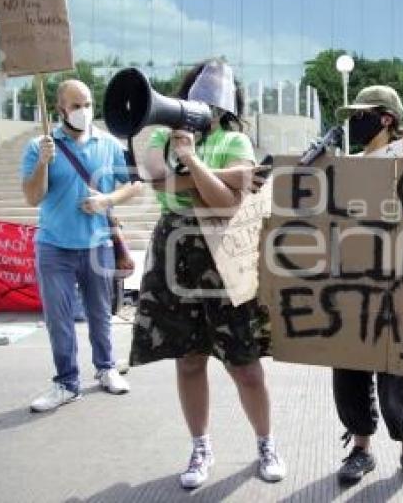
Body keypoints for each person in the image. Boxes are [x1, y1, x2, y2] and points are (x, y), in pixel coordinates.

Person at [129, 60, 285, 489]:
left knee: (246, 365)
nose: (206, 109)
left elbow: (226, 205)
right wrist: (231, 175)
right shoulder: (161, 134)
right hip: (174, 253)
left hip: (224, 255)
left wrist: (193, 163)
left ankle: (265, 442)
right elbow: (156, 183)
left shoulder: (234, 138)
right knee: (189, 359)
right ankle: (200, 446)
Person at [330, 85, 403, 491]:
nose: (356, 123)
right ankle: (361, 448)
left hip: (397, 286)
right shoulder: (348, 164)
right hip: (351, 286)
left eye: (362, 115)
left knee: (396, 374)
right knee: (349, 372)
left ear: (386, 119)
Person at [22, 79, 142, 412]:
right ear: (60, 109)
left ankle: (106, 368)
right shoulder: (39, 146)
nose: (83, 111)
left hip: (97, 244)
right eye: (76, 106)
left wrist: (107, 199)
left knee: (100, 313)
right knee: (58, 318)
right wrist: (43, 162)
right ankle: (66, 382)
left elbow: (135, 185)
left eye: (88, 104)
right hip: (53, 246)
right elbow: (32, 197)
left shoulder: (107, 143)